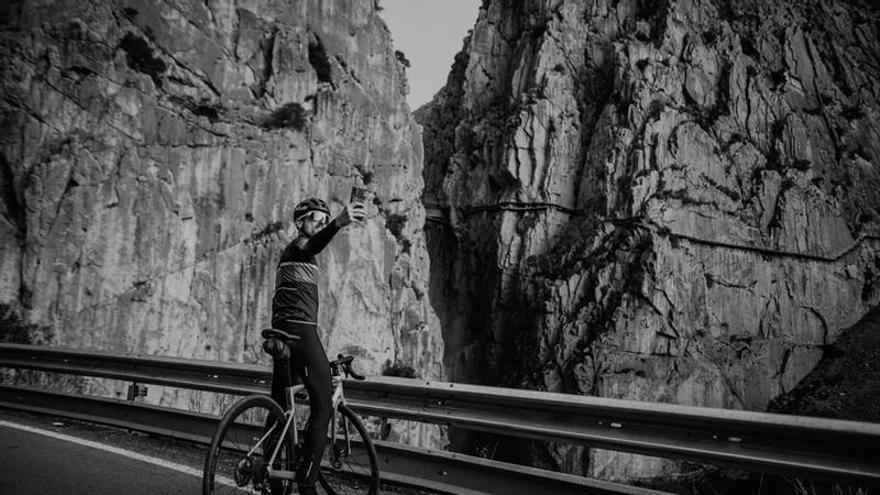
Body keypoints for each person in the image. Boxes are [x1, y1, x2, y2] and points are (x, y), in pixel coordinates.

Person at [267, 196, 365, 494]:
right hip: (300, 332)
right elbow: (313, 244)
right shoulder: (298, 247)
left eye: (324, 219)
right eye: (315, 219)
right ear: (300, 223)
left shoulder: (294, 255)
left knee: (281, 407)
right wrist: (338, 223)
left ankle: (268, 472)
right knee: (323, 406)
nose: (320, 223)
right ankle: (307, 483)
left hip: (281, 333)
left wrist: (332, 224)